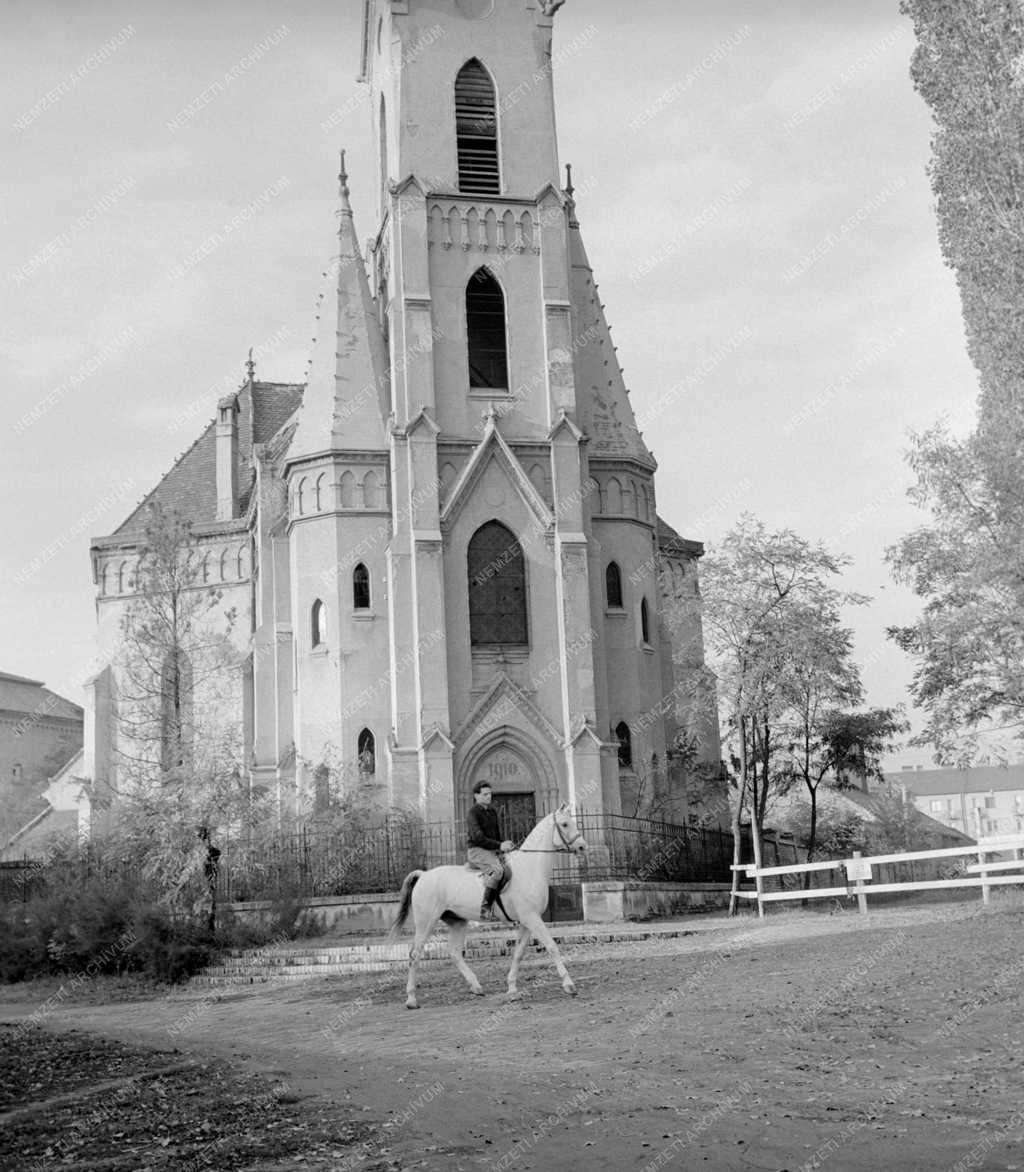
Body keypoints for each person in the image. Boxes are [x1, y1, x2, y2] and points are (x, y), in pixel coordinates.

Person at [466, 781, 513, 920]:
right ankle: (485, 908)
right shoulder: (473, 813)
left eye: (490, 794)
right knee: (498, 871)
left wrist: (504, 845)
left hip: (491, 851)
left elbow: (496, 835)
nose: (489, 797)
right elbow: (478, 838)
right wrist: (499, 846)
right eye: (485, 794)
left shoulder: (492, 811)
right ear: (476, 796)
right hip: (476, 850)